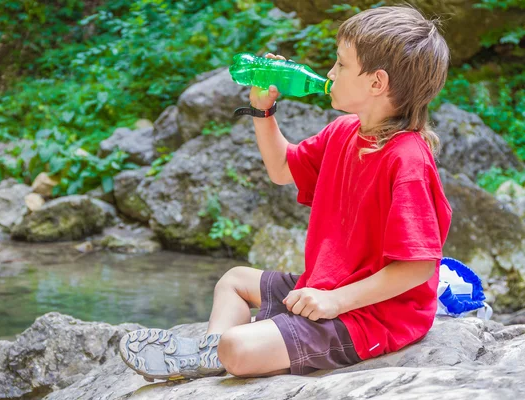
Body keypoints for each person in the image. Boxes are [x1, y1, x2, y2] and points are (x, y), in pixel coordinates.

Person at [119, 5, 453, 382]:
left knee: (238, 346)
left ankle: (226, 353)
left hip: (371, 317)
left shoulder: (407, 159)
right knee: (234, 281)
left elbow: (419, 266)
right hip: (325, 287)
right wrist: (264, 111)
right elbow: (281, 170)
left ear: (376, 82)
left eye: (341, 65)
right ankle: (211, 356)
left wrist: (335, 301)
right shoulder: (343, 132)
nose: (329, 73)